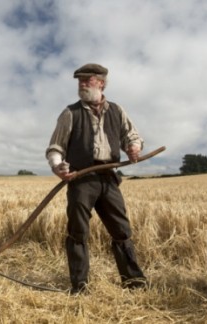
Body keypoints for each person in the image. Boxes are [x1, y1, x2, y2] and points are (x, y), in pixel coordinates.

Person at [45, 63, 147, 294]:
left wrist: (133, 147)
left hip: (109, 178)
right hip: (81, 179)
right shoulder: (70, 113)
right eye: (79, 80)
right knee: (78, 232)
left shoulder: (117, 111)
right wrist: (57, 166)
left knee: (122, 231)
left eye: (86, 80)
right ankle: (80, 287)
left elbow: (132, 136)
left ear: (100, 83)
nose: (81, 84)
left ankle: (134, 282)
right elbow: (55, 147)